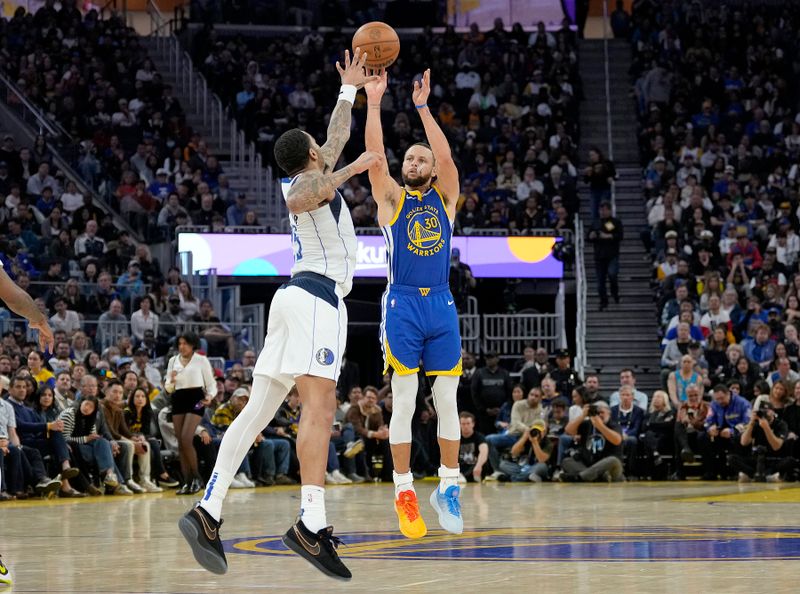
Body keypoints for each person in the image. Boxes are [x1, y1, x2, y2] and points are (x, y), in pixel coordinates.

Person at [180, 48, 379, 580]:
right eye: (324, 151)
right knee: (320, 407)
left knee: (259, 412)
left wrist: (348, 91)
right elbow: (300, 197)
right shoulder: (302, 186)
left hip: (293, 299)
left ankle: (209, 508)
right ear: (312, 156)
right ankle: (310, 522)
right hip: (315, 300)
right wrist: (357, 167)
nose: (328, 149)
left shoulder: (315, 170)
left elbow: (336, 136)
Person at [365, 67, 464, 539]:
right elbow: (376, 158)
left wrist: (424, 108)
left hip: (441, 304)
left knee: (447, 397)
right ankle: (403, 490)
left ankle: (448, 485)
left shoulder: (445, 199)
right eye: (410, 158)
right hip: (402, 305)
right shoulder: (391, 200)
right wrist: (373, 100)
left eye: (420, 159)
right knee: (403, 401)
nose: (414, 162)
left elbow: (445, 156)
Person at [165, 332, 217, 495]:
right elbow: (168, 388)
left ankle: (197, 479)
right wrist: (172, 381)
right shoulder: (172, 361)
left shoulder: (201, 360)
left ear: (193, 345)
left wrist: (210, 396)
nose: (182, 347)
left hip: (196, 398)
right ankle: (187, 482)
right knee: (181, 442)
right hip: (178, 398)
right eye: (179, 343)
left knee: (187, 438)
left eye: (185, 343)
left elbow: (211, 384)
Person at [561, 400, 624, 482]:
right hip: (589, 465)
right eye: (596, 413)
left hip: (609, 467)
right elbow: (568, 430)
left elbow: (617, 440)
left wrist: (600, 426)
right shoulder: (587, 424)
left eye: (602, 412)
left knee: (613, 460)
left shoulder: (614, 425)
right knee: (567, 461)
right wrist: (582, 415)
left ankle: (579, 477)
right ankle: (595, 477)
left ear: (609, 413)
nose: (599, 415)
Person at [588, 201, 623, 310]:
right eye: (601, 210)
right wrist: (591, 236)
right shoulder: (595, 223)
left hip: (612, 254)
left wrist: (608, 236)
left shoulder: (616, 222)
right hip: (599, 256)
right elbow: (588, 237)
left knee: (612, 274)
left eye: (605, 210)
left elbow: (620, 235)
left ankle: (615, 293)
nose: (602, 212)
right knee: (600, 282)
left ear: (609, 210)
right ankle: (603, 302)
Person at [456, 412, 488, 483]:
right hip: (461, 468)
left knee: (483, 463)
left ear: (473, 424)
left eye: (468, 423)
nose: (466, 426)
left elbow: (484, 452)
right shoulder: (456, 438)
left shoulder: (479, 437)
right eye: (463, 424)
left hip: (475, 468)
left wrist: (478, 466)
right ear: (459, 425)